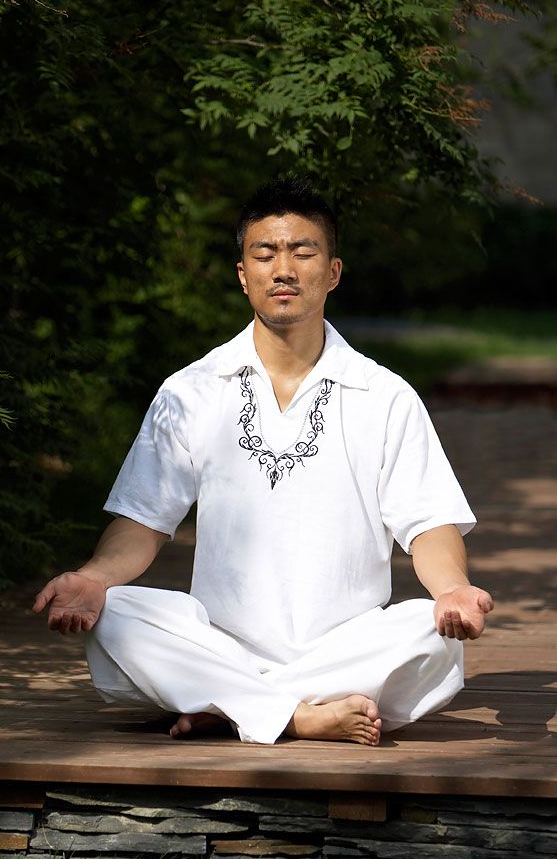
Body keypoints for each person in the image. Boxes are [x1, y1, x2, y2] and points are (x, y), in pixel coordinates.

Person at [32, 177, 494, 746]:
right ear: (243, 274)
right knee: (116, 615)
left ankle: (229, 707)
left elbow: (428, 524)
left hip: (346, 646)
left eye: (303, 251)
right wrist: (94, 577)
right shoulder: (191, 390)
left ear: (333, 272)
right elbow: (144, 522)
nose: (283, 269)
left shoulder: (384, 394)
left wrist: (451, 589)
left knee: (430, 634)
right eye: (265, 252)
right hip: (219, 642)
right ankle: (298, 715)